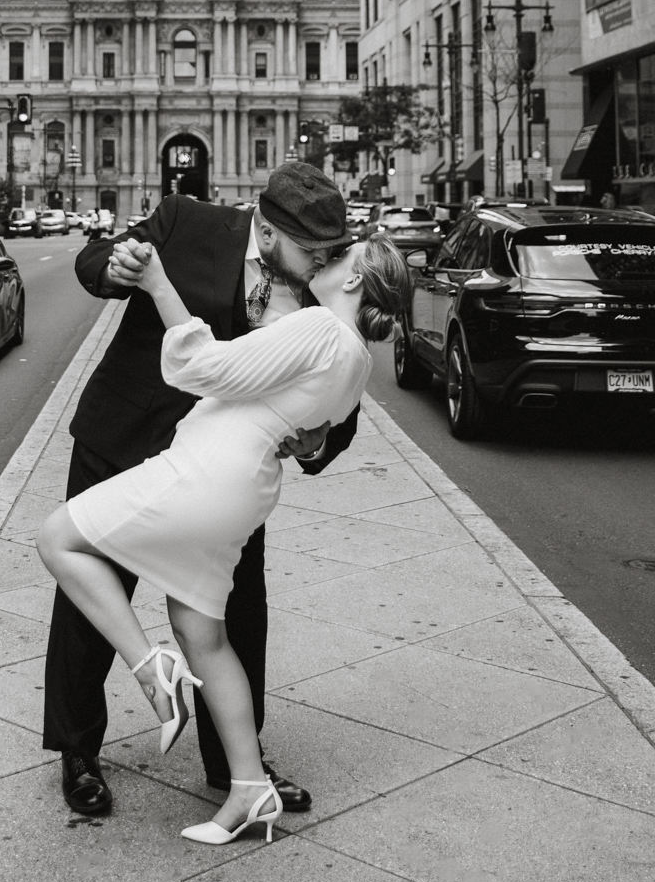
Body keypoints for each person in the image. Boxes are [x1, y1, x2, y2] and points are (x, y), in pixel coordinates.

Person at [37, 229, 408, 845]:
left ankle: (151, 669)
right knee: (203, 634)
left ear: (351, 279)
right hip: (247, 490)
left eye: (338, 255)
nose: (322, 257)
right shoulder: (358, 360)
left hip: (205, 472)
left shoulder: (318, 328)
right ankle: (247, 789)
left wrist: (159, 284)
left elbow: (200, 368)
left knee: (58, 539)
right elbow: (311, 423)